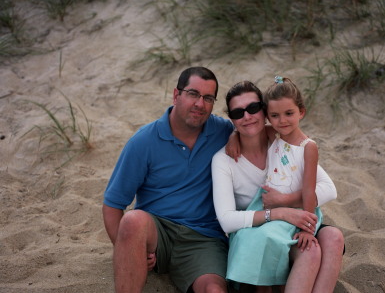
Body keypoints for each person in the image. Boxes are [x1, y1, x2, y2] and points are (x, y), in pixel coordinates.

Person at [102, 67, 235, 293]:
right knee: (133, 221)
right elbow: (113, 205)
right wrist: (128, 251)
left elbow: (260, 131)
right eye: (193, 94)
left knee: (214, 290)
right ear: (176, 95)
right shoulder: (143, 141)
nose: (200, 104)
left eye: (208, 98)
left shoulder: (224, 131)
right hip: (157, 233)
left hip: (202, 238)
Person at [212, 80, 344, 293]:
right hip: (260, 227)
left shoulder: (282, 140)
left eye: (253, 108)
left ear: (263, 112)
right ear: (232, 120)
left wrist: (285, 201)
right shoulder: (224, 159)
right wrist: (280, 213)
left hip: (296, 218)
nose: (246, 116)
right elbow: (227, 220)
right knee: (310, 251)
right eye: (238, 113)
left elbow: (328, 189)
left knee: (333, 237)